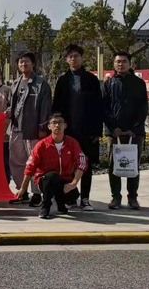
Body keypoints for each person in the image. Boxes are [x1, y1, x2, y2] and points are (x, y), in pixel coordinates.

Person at [52, 44, 103, 211]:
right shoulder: (62, 80)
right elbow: (56, 106)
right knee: (68, 165)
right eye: (70, 56)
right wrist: (57, 128)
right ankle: (71, 197)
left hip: (87, 131)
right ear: (66, 59)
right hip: (68, 130)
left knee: (85, 165)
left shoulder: (91, 80)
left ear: (82, 58)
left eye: (76, 56)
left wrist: (97, 131)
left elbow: (98, 106)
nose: (73, 59)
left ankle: (85, 199)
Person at [15, 113, 87, 219]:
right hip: (45, 180)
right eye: (54, 123)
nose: (57, 125)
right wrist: (23, 188)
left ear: (65, 125)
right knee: (52, 177)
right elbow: (30, 166)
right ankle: (45, 207)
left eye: (60, 122)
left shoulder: (72, 143)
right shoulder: (41, 145)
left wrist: (74, 183)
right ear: (49, 126)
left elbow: (82, 162)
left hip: (64, 180)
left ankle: (61, 205)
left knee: (73, 195)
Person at [102, 51, 148, 210]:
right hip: (114, 133)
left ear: (130, 63)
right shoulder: (108, 83)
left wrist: (134, 129)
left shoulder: (138, 83)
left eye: (124, 61)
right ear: (114, 64)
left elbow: (143, 108)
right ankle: (116, 197)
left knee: (133, 165)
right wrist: (112, 127)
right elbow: (104, 108)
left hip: (134, 133)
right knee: (113, 165)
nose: (120, 64)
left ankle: (132, 197)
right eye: (118, 61)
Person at [8, 52, 52, 207]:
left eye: (26, 61)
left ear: (33, 64)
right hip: (16, 129)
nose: (23, 64)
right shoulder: (15, 83)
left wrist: (43, 127)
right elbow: (13, 104)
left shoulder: (41, 84)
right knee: (16, 162)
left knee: (35, 162)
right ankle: (22, 191)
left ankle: (37, 193)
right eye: (21, 62)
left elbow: (46, 107)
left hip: (33, 129)